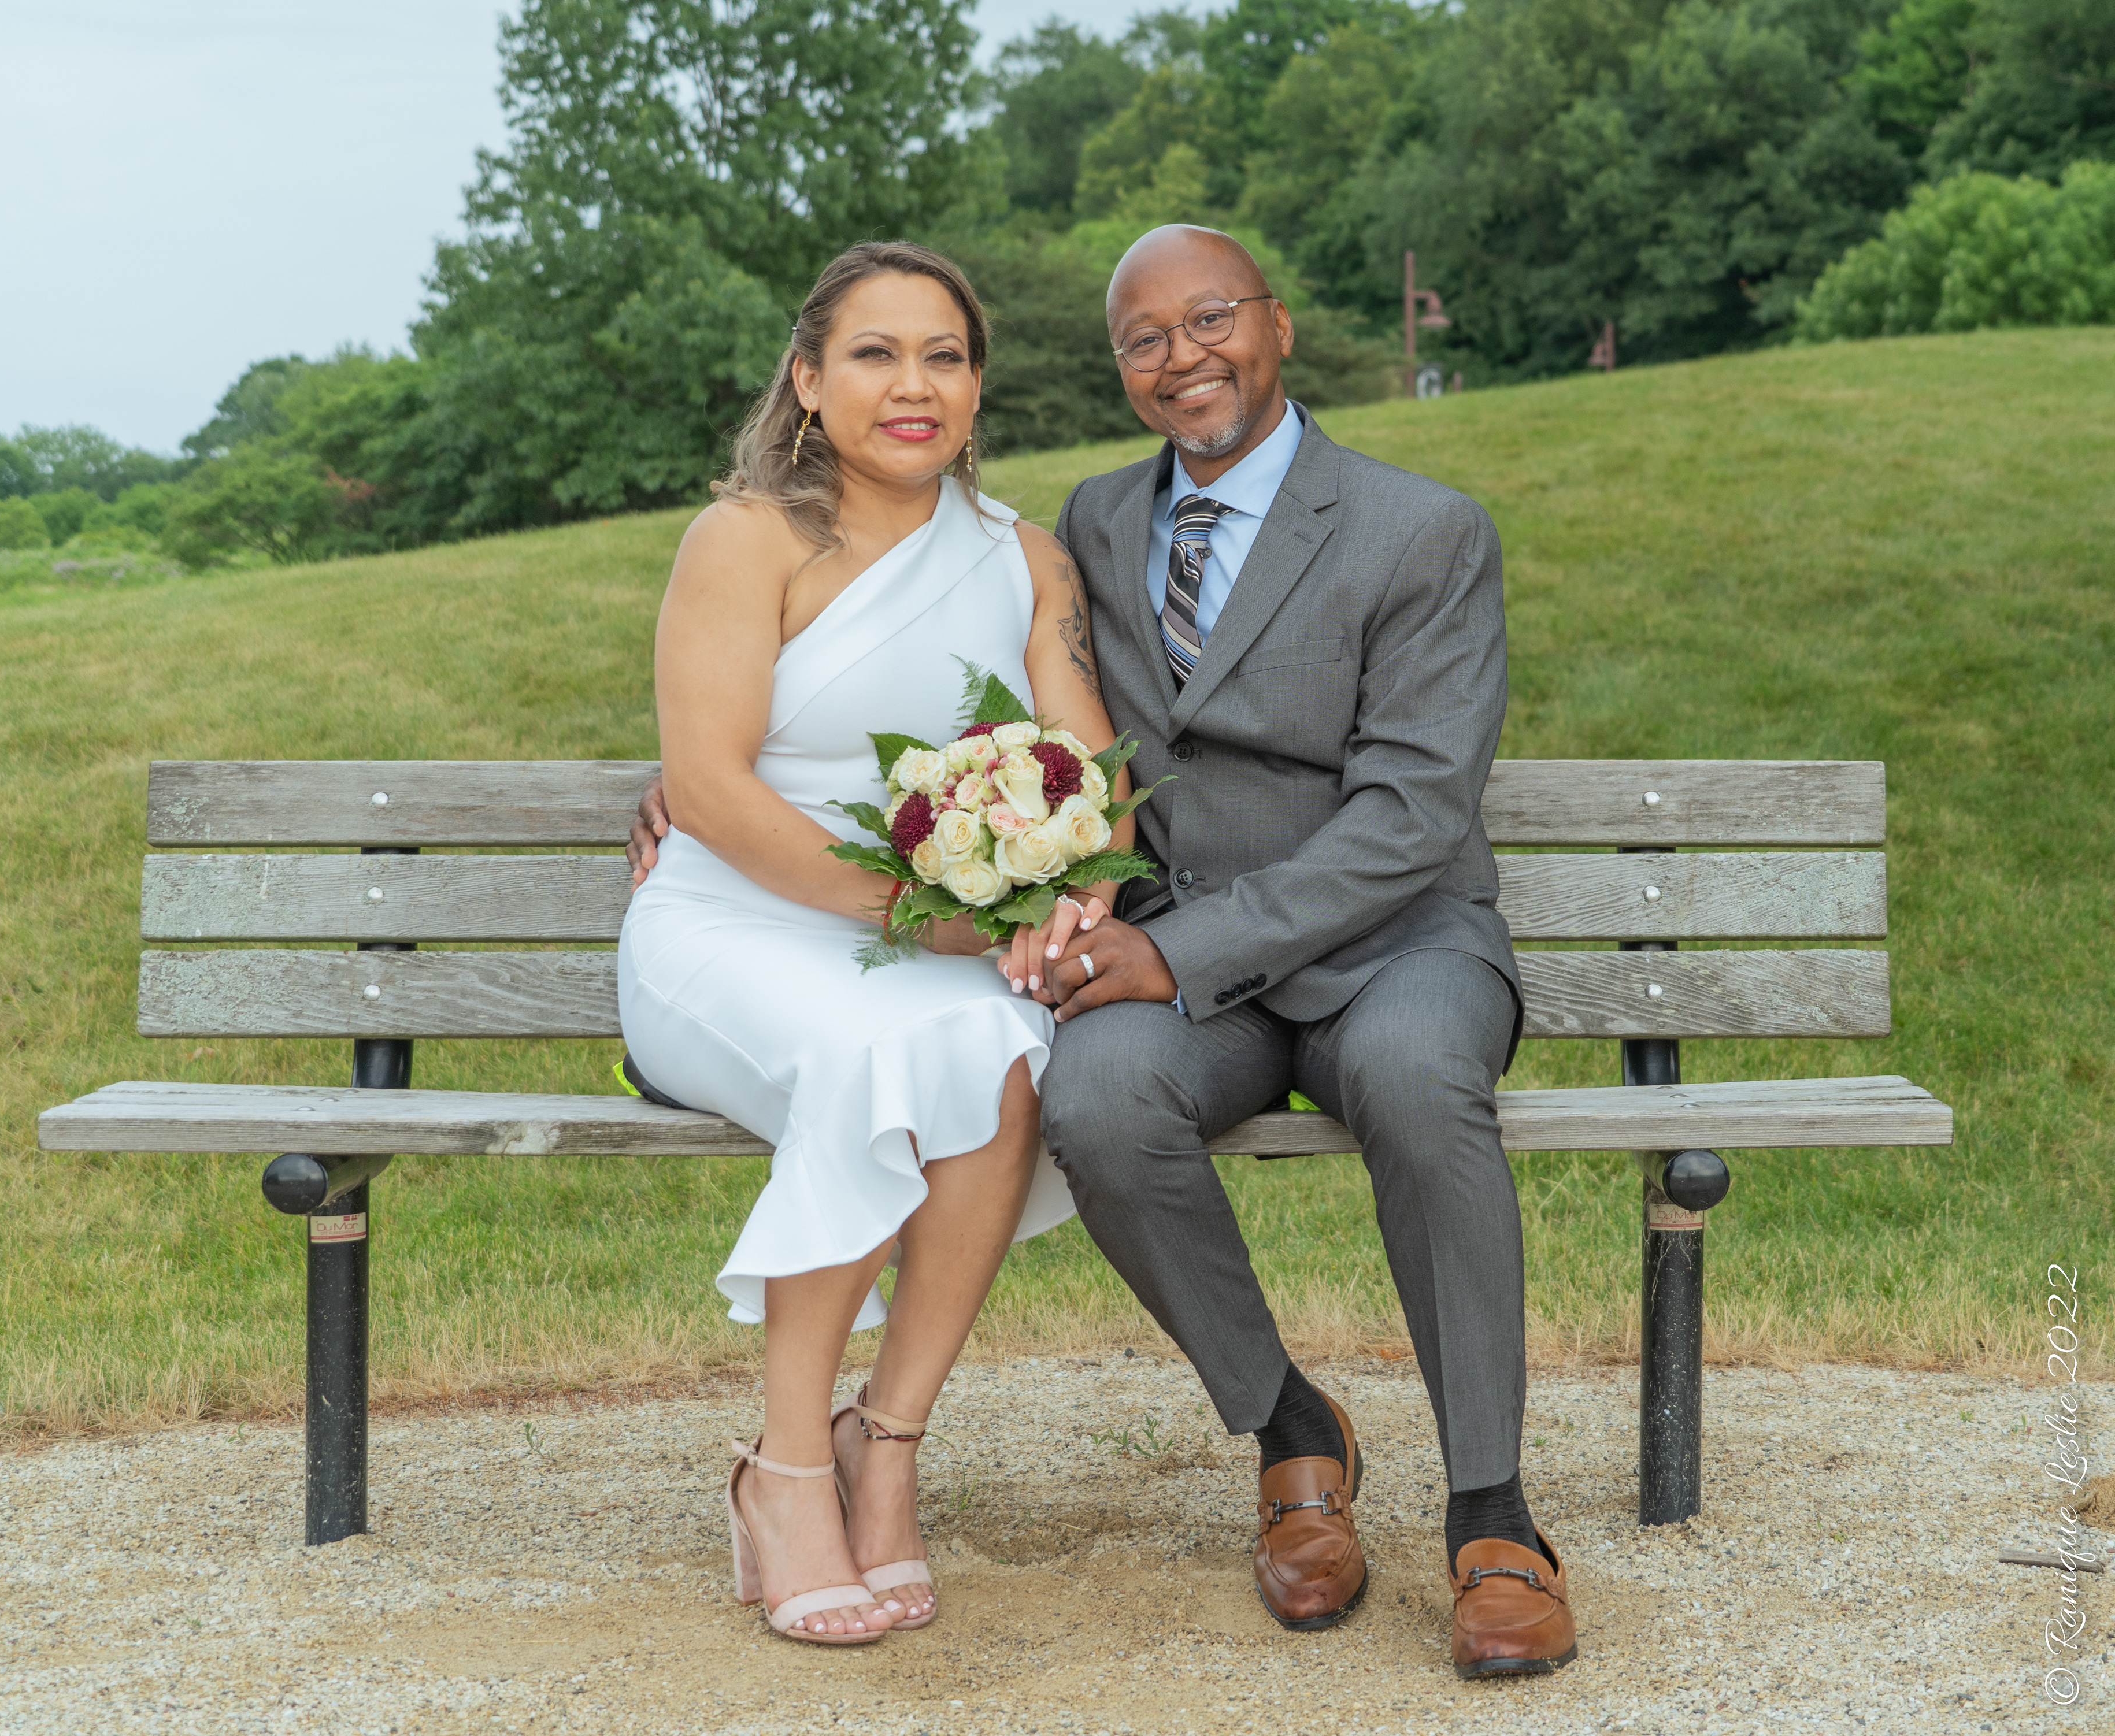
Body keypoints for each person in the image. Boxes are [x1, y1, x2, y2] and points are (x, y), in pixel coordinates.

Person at [632, 224, 1578, 1679]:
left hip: (1386, 940)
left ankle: (1493, 1516)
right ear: (808, 379)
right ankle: (1291, 1432)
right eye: (1145, 337)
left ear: (1276, 326)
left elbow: (1404, 816)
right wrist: (707, 787)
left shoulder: (1418, 528)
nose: (1183, 356)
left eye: (1213, 319)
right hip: (1157, 948)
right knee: (1094, 1090)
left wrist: (1129, 932)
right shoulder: (1096, 524)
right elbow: (1067, 763)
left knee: (1410, 1074)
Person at [619, 240, 1133, 1646]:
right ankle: (785, 1469)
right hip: (731, 926)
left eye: (945, 357)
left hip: (946, 941)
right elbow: (709, 784)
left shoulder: (1024, 559)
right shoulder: (745, 541)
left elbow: (1088, 773)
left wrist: (1067, 887)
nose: (915, 385)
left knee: (998, 1059)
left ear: (978, 387)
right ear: (807, 379)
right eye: (875, 354)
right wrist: (917, 913)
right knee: (880, 1049)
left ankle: (884, 1443)